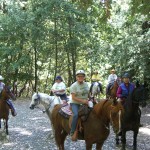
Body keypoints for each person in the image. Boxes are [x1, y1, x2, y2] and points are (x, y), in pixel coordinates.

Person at [70, 70, 89, 141]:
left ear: (84, 77)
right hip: (75, 103)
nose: (80, 77)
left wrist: (91, 98)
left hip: (85, 102)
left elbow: (87, 93)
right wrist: (83, 101)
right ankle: (72, 130)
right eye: (79, 76)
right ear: (76, 77)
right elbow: (73, 97)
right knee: (76, 114)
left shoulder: (86, 84)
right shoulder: (73, 86)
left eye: (82, 76)